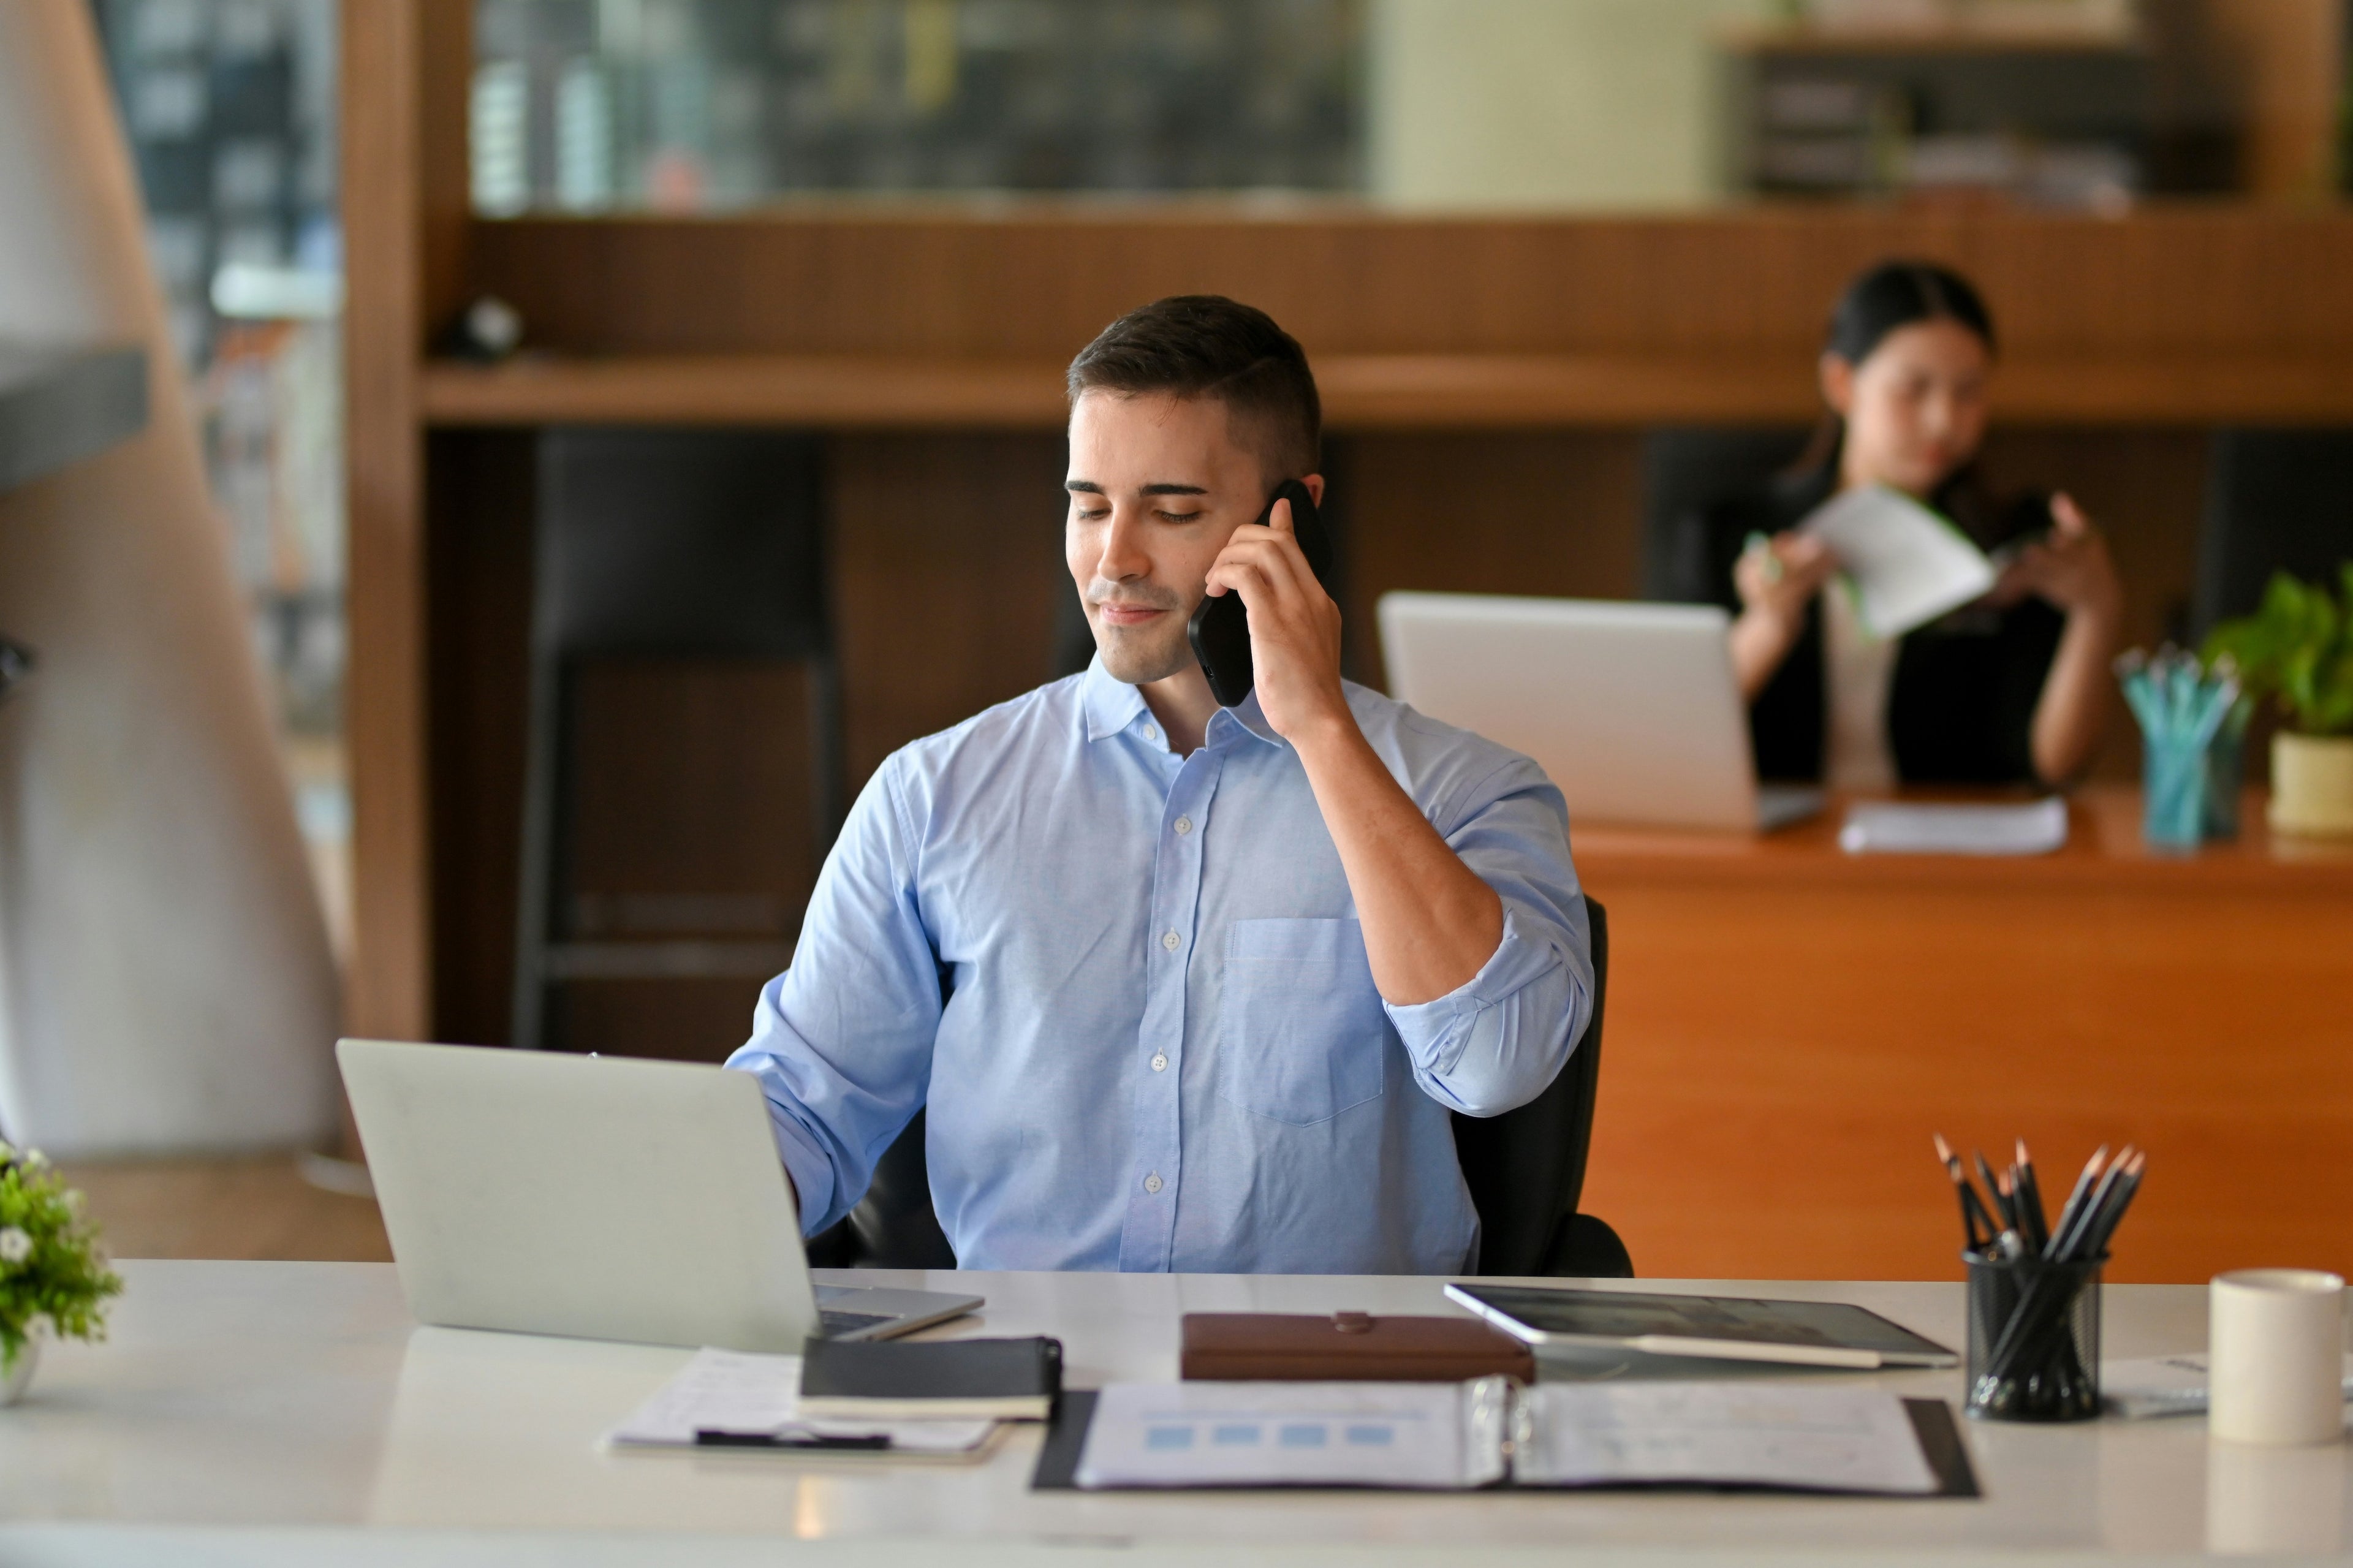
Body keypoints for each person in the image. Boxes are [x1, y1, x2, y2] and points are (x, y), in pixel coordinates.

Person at [726, 295, 1593, 1274]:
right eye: (1090, 504)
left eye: (1173, 510)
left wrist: (1316, 727)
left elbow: (1498, 1064)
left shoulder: (1470, 790)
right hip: (1023, 1376)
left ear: (1292, 516)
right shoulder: (934, 796)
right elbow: (804, 1103)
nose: (1114, 558)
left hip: (1339, 1385)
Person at [1665, 260, 2123, 789]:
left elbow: (2053, 766)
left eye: (1969, 391)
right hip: (1780, 850)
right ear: (1842, 384)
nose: (1944, 421)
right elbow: (1673, 749)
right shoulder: (1730, 531)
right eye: (1913, 389)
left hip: (1949, 853)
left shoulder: (2017, 541)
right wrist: (1767, 628)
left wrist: (2097, 607)